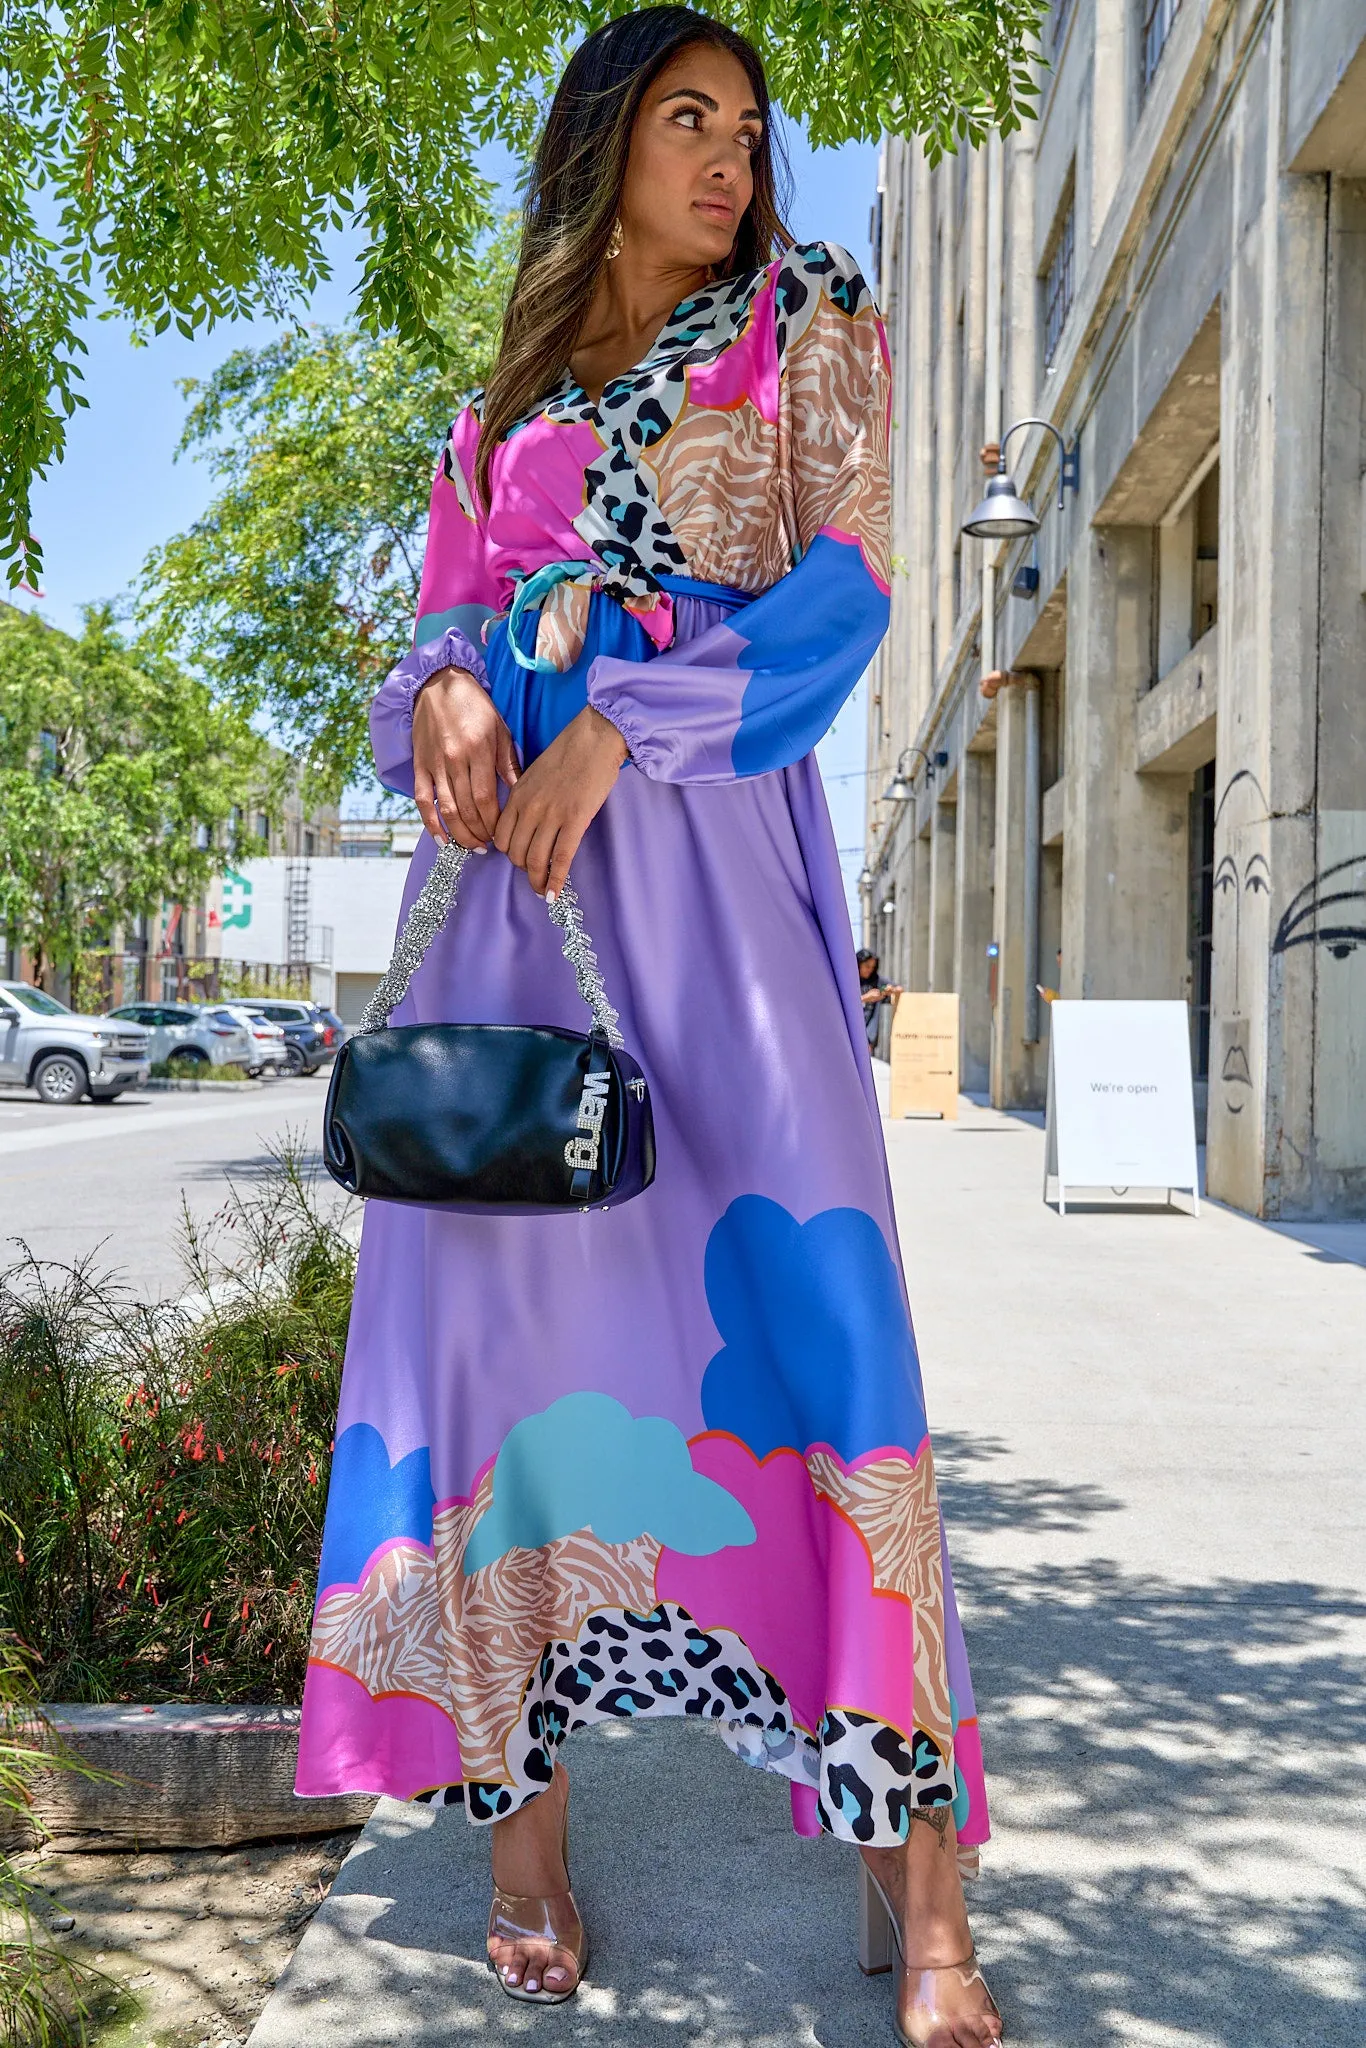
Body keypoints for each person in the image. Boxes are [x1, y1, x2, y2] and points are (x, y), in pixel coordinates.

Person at [297, 11, 1002, 2042]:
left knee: (819, 1343)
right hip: (521, 932)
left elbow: (848, 591)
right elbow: (443, 613)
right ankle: (523, 1848)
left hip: (720, 912)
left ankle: (919, 1880)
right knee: (496, 1357)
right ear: (604, 136)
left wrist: (628, 713)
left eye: (750, 125)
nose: (729, 156)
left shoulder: (808, 322)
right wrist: (435, 687)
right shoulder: (494, 402)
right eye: (686, 118)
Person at [859, 947, 902, 1052]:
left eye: (873, 967)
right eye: (867, 966)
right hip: (850, 1029)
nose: (870, 970)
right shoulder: (849, 979)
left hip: (868, 1034)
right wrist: (865, 998)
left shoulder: (876, 980)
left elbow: (899, 988)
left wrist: (890, 989)